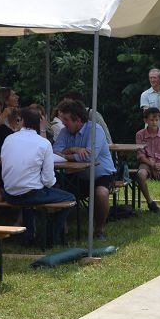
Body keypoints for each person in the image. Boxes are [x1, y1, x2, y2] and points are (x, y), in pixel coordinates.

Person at [2, 107, 75, 246]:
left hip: (9, 193)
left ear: (21, 121)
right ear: (40, 123)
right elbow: (49, 181)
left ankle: (29, 236)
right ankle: (52, 237)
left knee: (30, 193)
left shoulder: (8, 139)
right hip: (29, 194)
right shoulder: (43, 143)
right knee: (69, 198)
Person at [54, 99, 117, 240]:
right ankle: (62, 229)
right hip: (77, 176)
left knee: (101, 193)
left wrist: (66, 155)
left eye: (66, 120)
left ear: (77, 120)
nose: (63, 123)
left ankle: (99, 229)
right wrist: (73, 149)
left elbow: (90, 157)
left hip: (101, 175)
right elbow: (54, 152)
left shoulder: (95, 130)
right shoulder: (65, 131)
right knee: (56, 188)